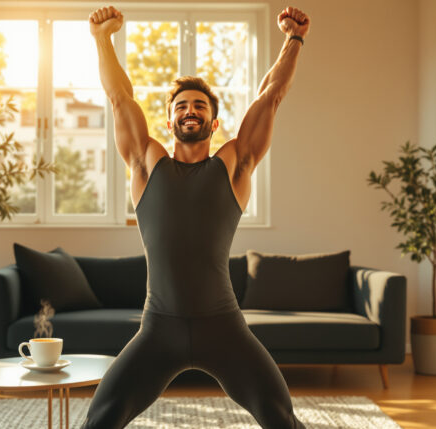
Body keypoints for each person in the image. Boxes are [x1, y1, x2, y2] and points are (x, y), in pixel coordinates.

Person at [81, 5, 310, 429]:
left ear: (214, 120)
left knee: (281, 418)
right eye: (183, 105)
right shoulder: (147, 165)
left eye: (200, 106)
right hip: (158, 330)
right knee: (100, 419)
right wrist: (102, 39)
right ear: (169, 121)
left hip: (223, 326)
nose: (191, 110)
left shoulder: (234, 163)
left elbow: (270, 97)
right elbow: (119, 98)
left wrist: (293, 40)